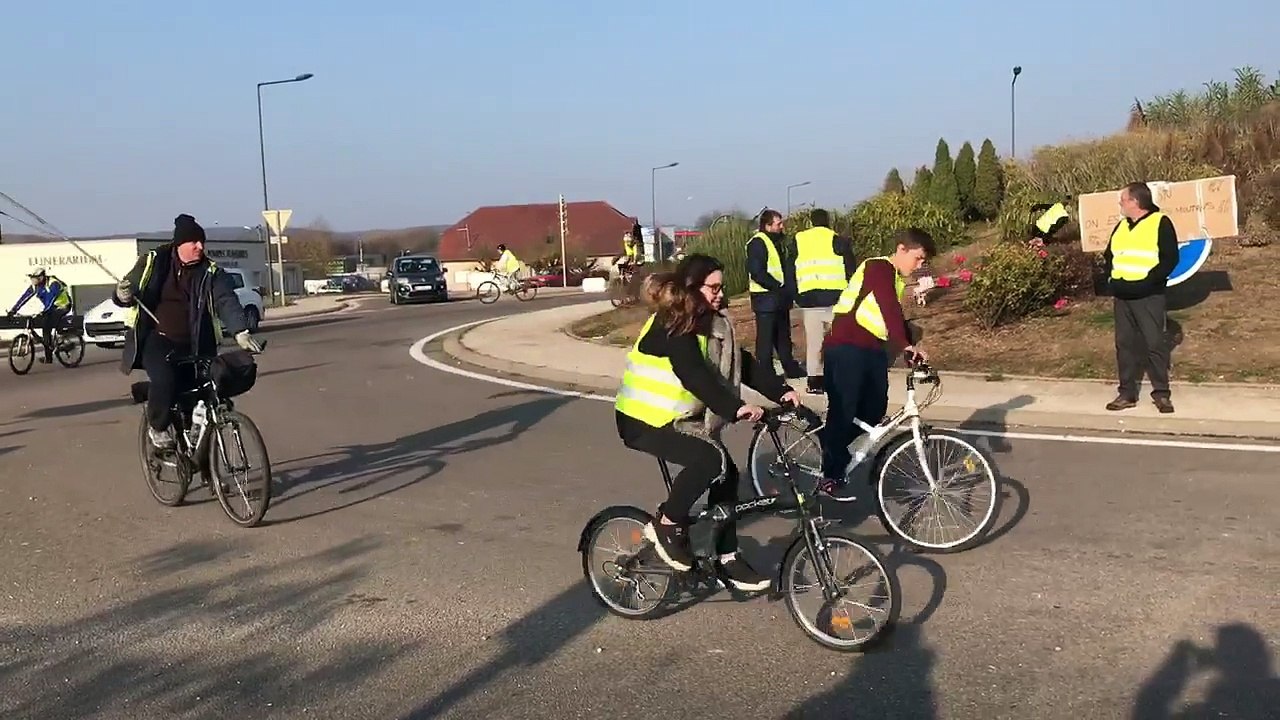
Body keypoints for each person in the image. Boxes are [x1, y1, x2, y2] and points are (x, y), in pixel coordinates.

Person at [615, 253, 801, 592]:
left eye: (720, 287)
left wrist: (781, 391)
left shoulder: (710, 324)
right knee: (709, 460)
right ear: (692, 288)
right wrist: (736, 408)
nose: (719, 293)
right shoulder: (672, 324)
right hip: (643, 421)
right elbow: (694, 375)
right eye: (712, 287)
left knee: (726, 474)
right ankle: (666, 525)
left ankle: (726, 556)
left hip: (678, 419)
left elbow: (740, 363)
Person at [112, 214, 263, 449]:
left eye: (202, 242)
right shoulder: (154, 261)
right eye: (194, 242)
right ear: (179, 244)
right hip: (158, 339)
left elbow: (226, 300)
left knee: (209, 392)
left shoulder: (210, 271)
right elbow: (128, 288)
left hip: (197, 344)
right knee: (165, 379)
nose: (200, 247)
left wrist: (240, 331)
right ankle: (158, 426)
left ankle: (205, 465)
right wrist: (122, 294)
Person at [816, 228, 935, 499]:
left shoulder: (896, 280)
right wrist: (904, 344)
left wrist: (909, 346)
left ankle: (829, 442)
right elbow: (888, 308)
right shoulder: (879, 267)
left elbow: (889, 318)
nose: (919, 266)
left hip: (871, 350)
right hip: (845, 346)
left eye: (923, 262)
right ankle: (830, 476)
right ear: (901, 249)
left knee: (874, 411)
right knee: (844, 410)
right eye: (917, 258)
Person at [1101, 181, 1179, 413]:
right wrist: (1111, 280)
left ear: (1136, 202)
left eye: (1123, 200)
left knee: (1154, 344)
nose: (1120, 204)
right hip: (1122, 296)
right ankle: (1126, 393)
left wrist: (1149, 282)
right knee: (1124, 345)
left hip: (1148, 296)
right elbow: (1109, 256)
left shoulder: (1160, 223)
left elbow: (1169, 259)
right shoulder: (1121, 226)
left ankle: (1162, 394)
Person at [792, 209, 858, 395]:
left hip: (809, 300)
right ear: (828, 221)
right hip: (835, 299)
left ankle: (815, 381)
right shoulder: (838, 240)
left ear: (811, 222)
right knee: (841, 339)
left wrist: (796, 295)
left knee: (814, 343)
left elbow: (790, 269)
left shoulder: (799, 240)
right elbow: (850, 268)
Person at [746, 208, 804, 380]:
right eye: (778, 224)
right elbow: (757, 272)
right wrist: (778, 285)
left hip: (778, 297)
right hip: (765, 298)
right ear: (767, 225)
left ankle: (790, 368)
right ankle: (765, 373)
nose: (782, 226)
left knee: (783, 337)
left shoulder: (777, 242)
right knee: (766, 340)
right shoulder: (757, 243)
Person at [6, 267, 73, 365]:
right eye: (31, 278)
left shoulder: (53, 284)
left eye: (34, 277)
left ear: (41, 277)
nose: (32, 280)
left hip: (63, 306)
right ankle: (49, 352)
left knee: (46, 325)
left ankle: (52, 352)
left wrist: (43, 312)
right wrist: (13, 310)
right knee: (45, 325)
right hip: (51, 308)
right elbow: (24, 298)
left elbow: (51, 300)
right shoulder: (35, 286)